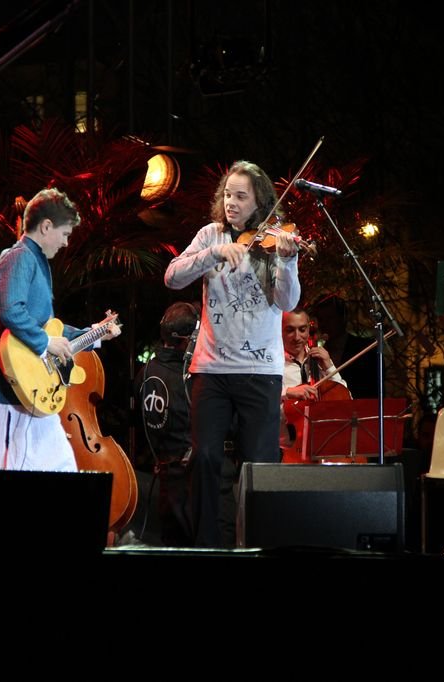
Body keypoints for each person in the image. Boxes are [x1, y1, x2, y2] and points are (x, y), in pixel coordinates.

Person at [164, 160, 300, 547]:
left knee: (257, 466)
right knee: (205, 457)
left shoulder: (275, 241)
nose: (232, 203)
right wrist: (214, 254)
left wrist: (288, 261)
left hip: (261, 371)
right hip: (212, 366)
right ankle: (206, 545)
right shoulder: (210, 235)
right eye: (227, 194)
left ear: (259, 202)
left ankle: (256, 545)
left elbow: (287, 300)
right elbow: (172, 277)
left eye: (241, 196)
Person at [0, 187, 119, 471]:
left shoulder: (34, 260)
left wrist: (93, 334)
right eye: (65, 234)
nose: (67, 243)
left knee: (56, 465)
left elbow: (45, 327)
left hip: (26, 382)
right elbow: (11, 311)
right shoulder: (18, 256)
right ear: (46, 226)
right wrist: (45, 343)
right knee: (0, 471)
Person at [135, 301, 199, 546]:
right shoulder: (191, 377)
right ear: (189, 338)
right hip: (186, 476)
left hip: (162, 472)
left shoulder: (145, 372)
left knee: (169, 542)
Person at [279, 307, 348, 458]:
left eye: (302, 330)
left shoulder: (318, 362)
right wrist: (287, 392)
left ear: (309, 330)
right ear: (280, 331)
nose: (297, 337)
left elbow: (345, 398)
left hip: (324, 444)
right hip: (286, 447)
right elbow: (262, 399)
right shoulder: (273, 364)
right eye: (290, 330)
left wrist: (329, 366)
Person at [311, 295, 376, 399]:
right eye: (321, 319)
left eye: (329, 318)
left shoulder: (365, 348)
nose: (324, 324)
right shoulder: (318, 353)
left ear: (342, 318)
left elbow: (371, 390)